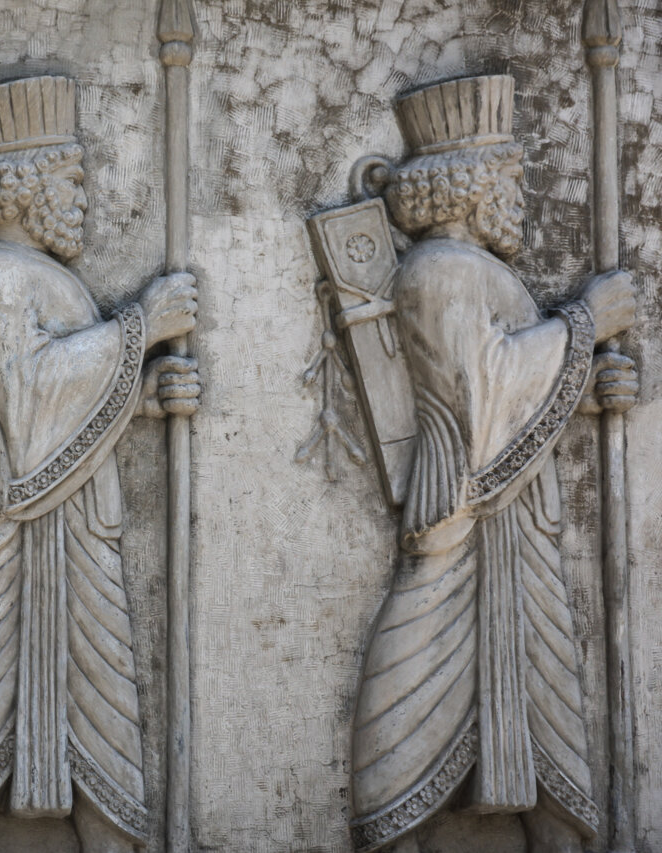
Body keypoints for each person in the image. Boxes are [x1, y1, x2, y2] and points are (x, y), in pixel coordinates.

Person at [0, 76, 200, 853]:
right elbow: (27, 398)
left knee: (99, 707)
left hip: (79, 522)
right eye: (71, 182)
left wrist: (142, 394)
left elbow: (69, 396)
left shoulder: (42, 275)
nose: (84, 201)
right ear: (24, 187)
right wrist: (140, 326)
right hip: (14, 525)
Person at [348, 76, 637, 853]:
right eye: (510, 178)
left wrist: (587, 382)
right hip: (462, 520)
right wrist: (583, 325)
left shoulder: (469, 270)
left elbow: (518, 386)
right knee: (405, 701)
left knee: (544, 714)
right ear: (470, 189)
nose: (522, 195)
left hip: (518, 529)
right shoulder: (438, 270)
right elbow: (485, 397)